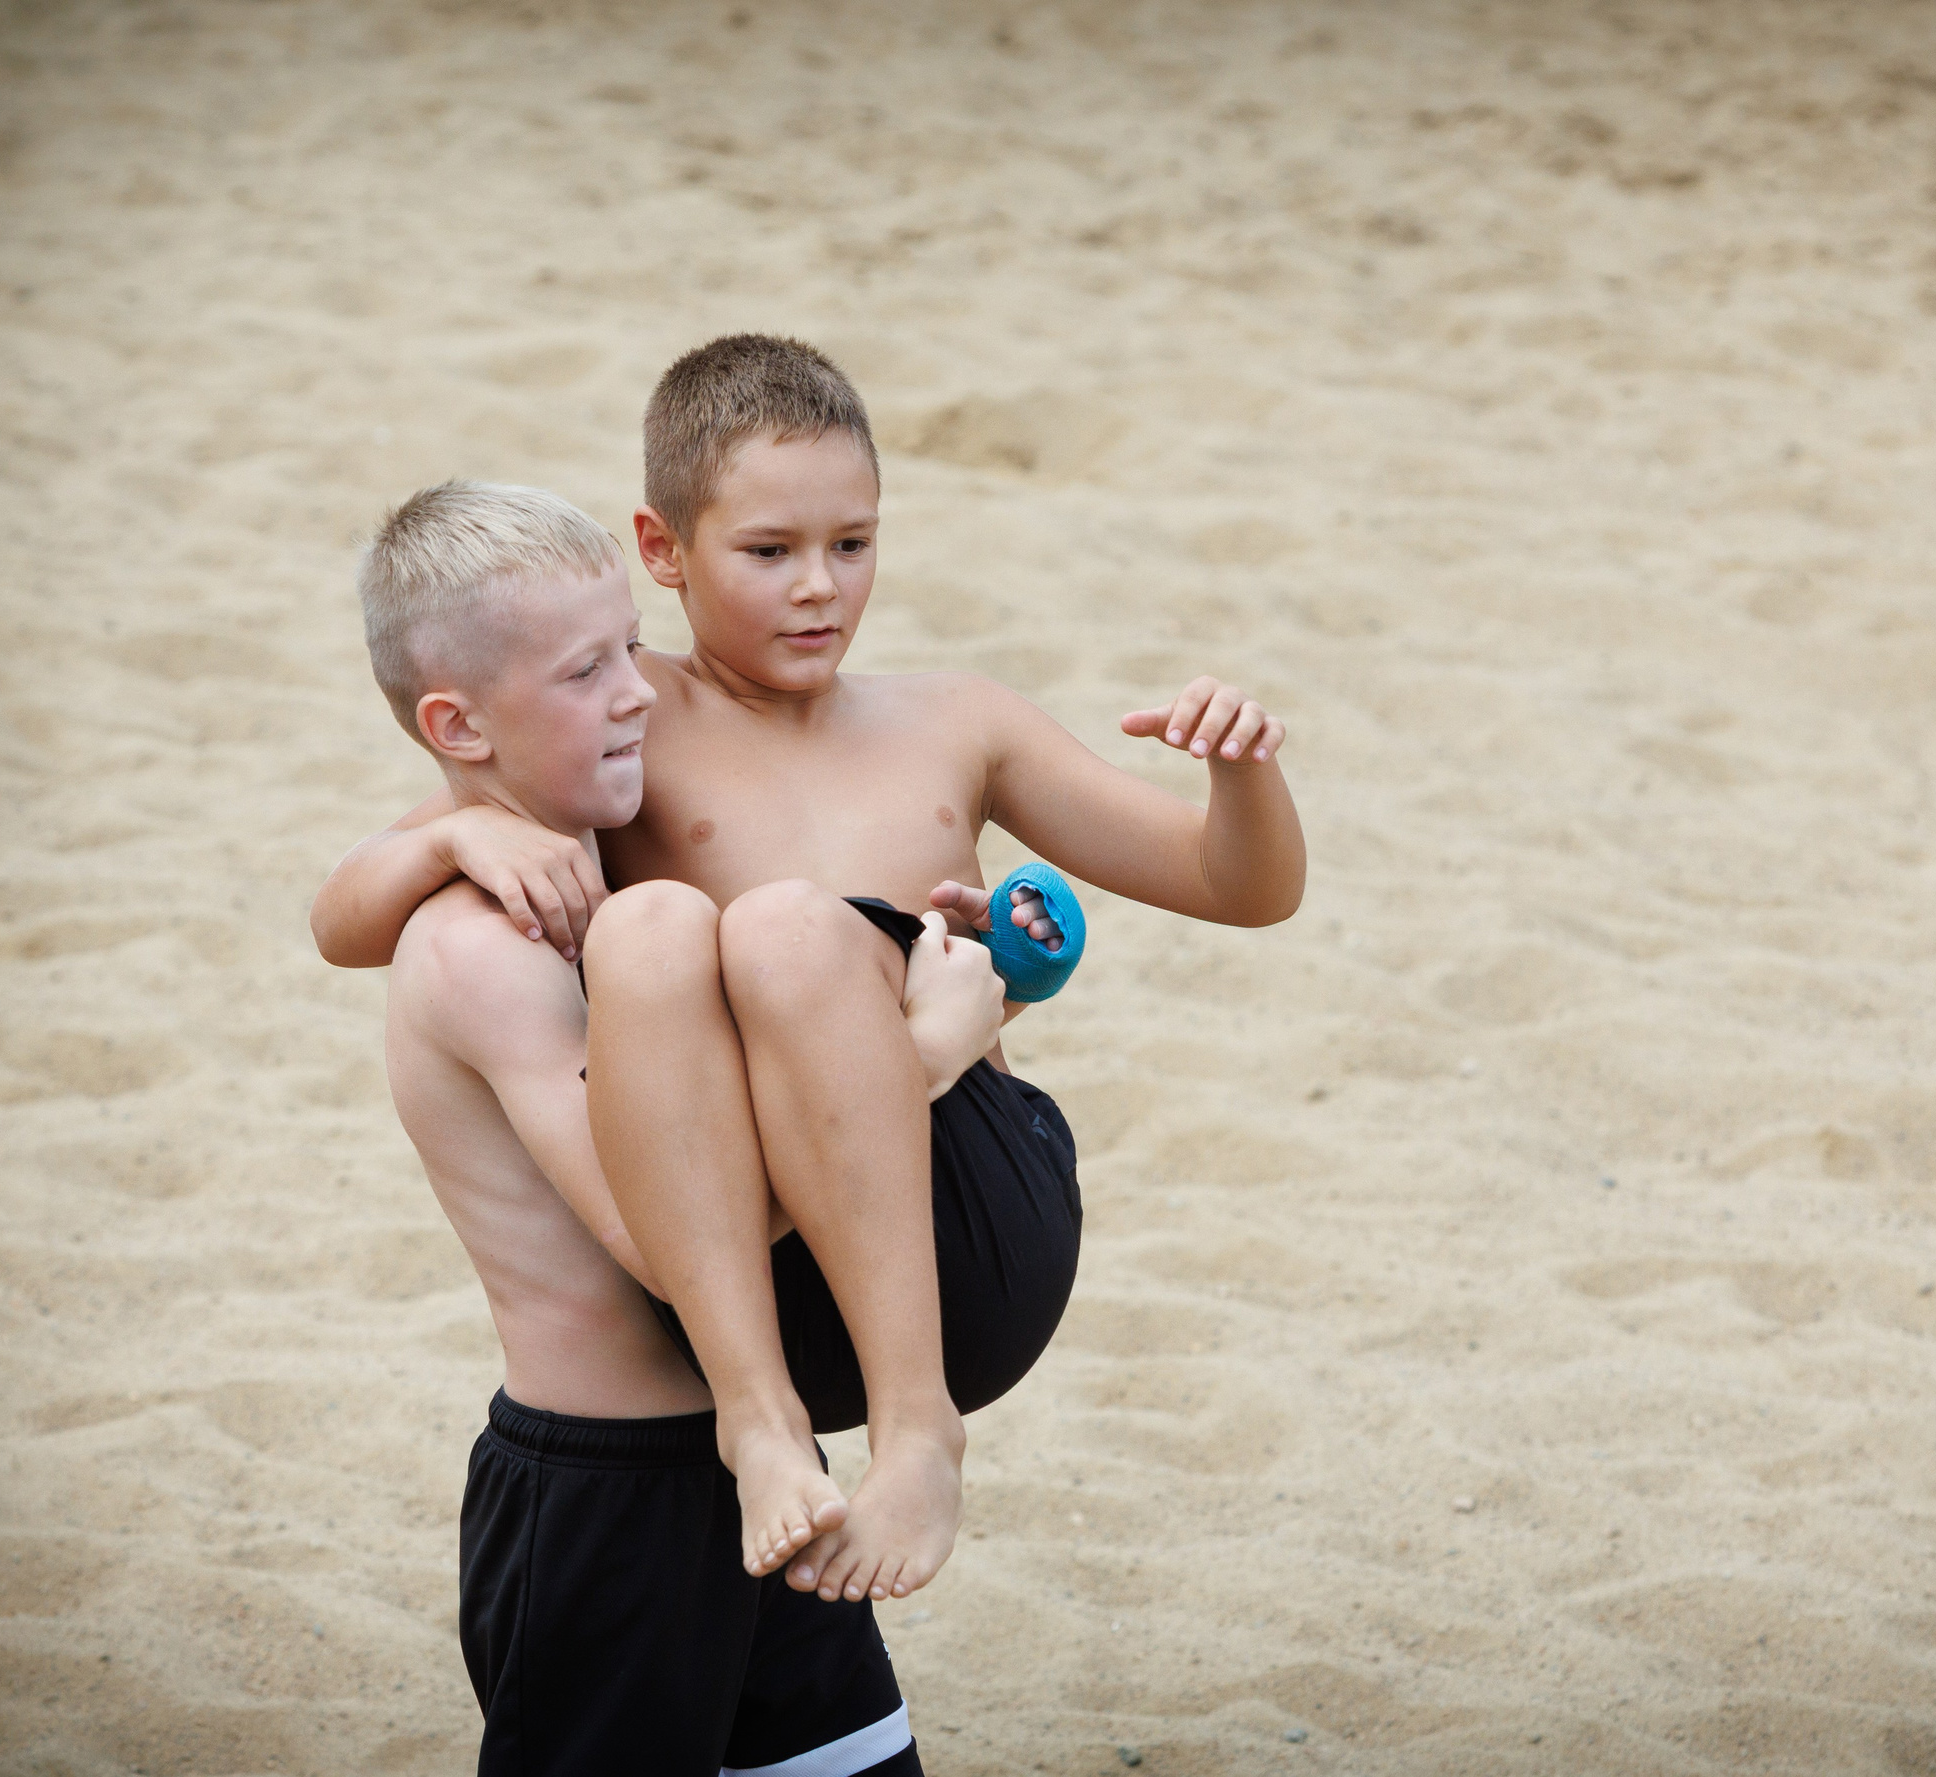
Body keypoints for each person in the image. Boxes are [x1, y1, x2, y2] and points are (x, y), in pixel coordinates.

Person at [313, 333, 1307, 1614]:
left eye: (854, 543)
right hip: (748, 1252)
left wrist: (1241, 773)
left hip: (961, 1217)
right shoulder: (620, 717)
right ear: (663, 553)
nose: (818, 589)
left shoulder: (960, 721)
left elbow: (1242, 889)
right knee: (681, 930)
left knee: (788, 927)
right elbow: (344, 920)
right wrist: (456, 828)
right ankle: (758, 1419)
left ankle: (917, 1427)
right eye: (768, 552)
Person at [341, 481, 1000, 1771]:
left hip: (761, 1472)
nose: (640, 689)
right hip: (608, 1499)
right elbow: (668, 1234)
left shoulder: (591, 858)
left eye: (629, 647)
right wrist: (920, 1054)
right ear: (457, 723)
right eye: (588, 671)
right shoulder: (483, 952)